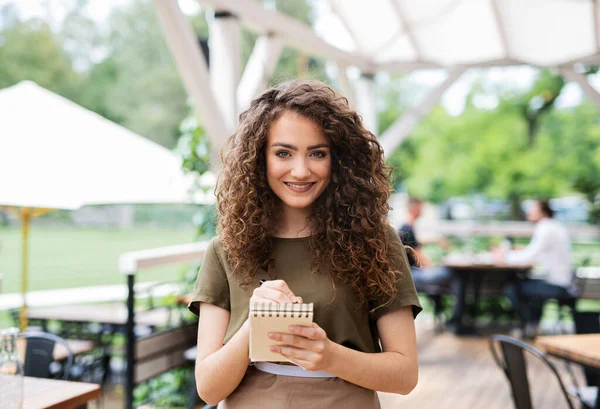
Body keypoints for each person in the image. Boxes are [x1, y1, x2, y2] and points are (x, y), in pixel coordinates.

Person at [187, 80, 422, 409]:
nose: (301, 170)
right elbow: (209, 389)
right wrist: (255, 326)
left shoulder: (376, 242)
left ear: (338, 161)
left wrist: (328, 355)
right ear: (259, 158)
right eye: (283, 152)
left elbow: (404, 374)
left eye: (317, 153)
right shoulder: (224, 250)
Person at [495, 199, 572, 339]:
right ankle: (532, 325)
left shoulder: (546, 228)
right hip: (559, 280)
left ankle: (530, 324)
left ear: (543, 212)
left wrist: (504, 257)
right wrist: (517, 252)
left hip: (556, 284)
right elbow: (536, 252)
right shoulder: (553, 226)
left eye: (533, 210)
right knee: (525, 285)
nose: (528, 213)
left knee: (511, 289)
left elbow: (530, 255)